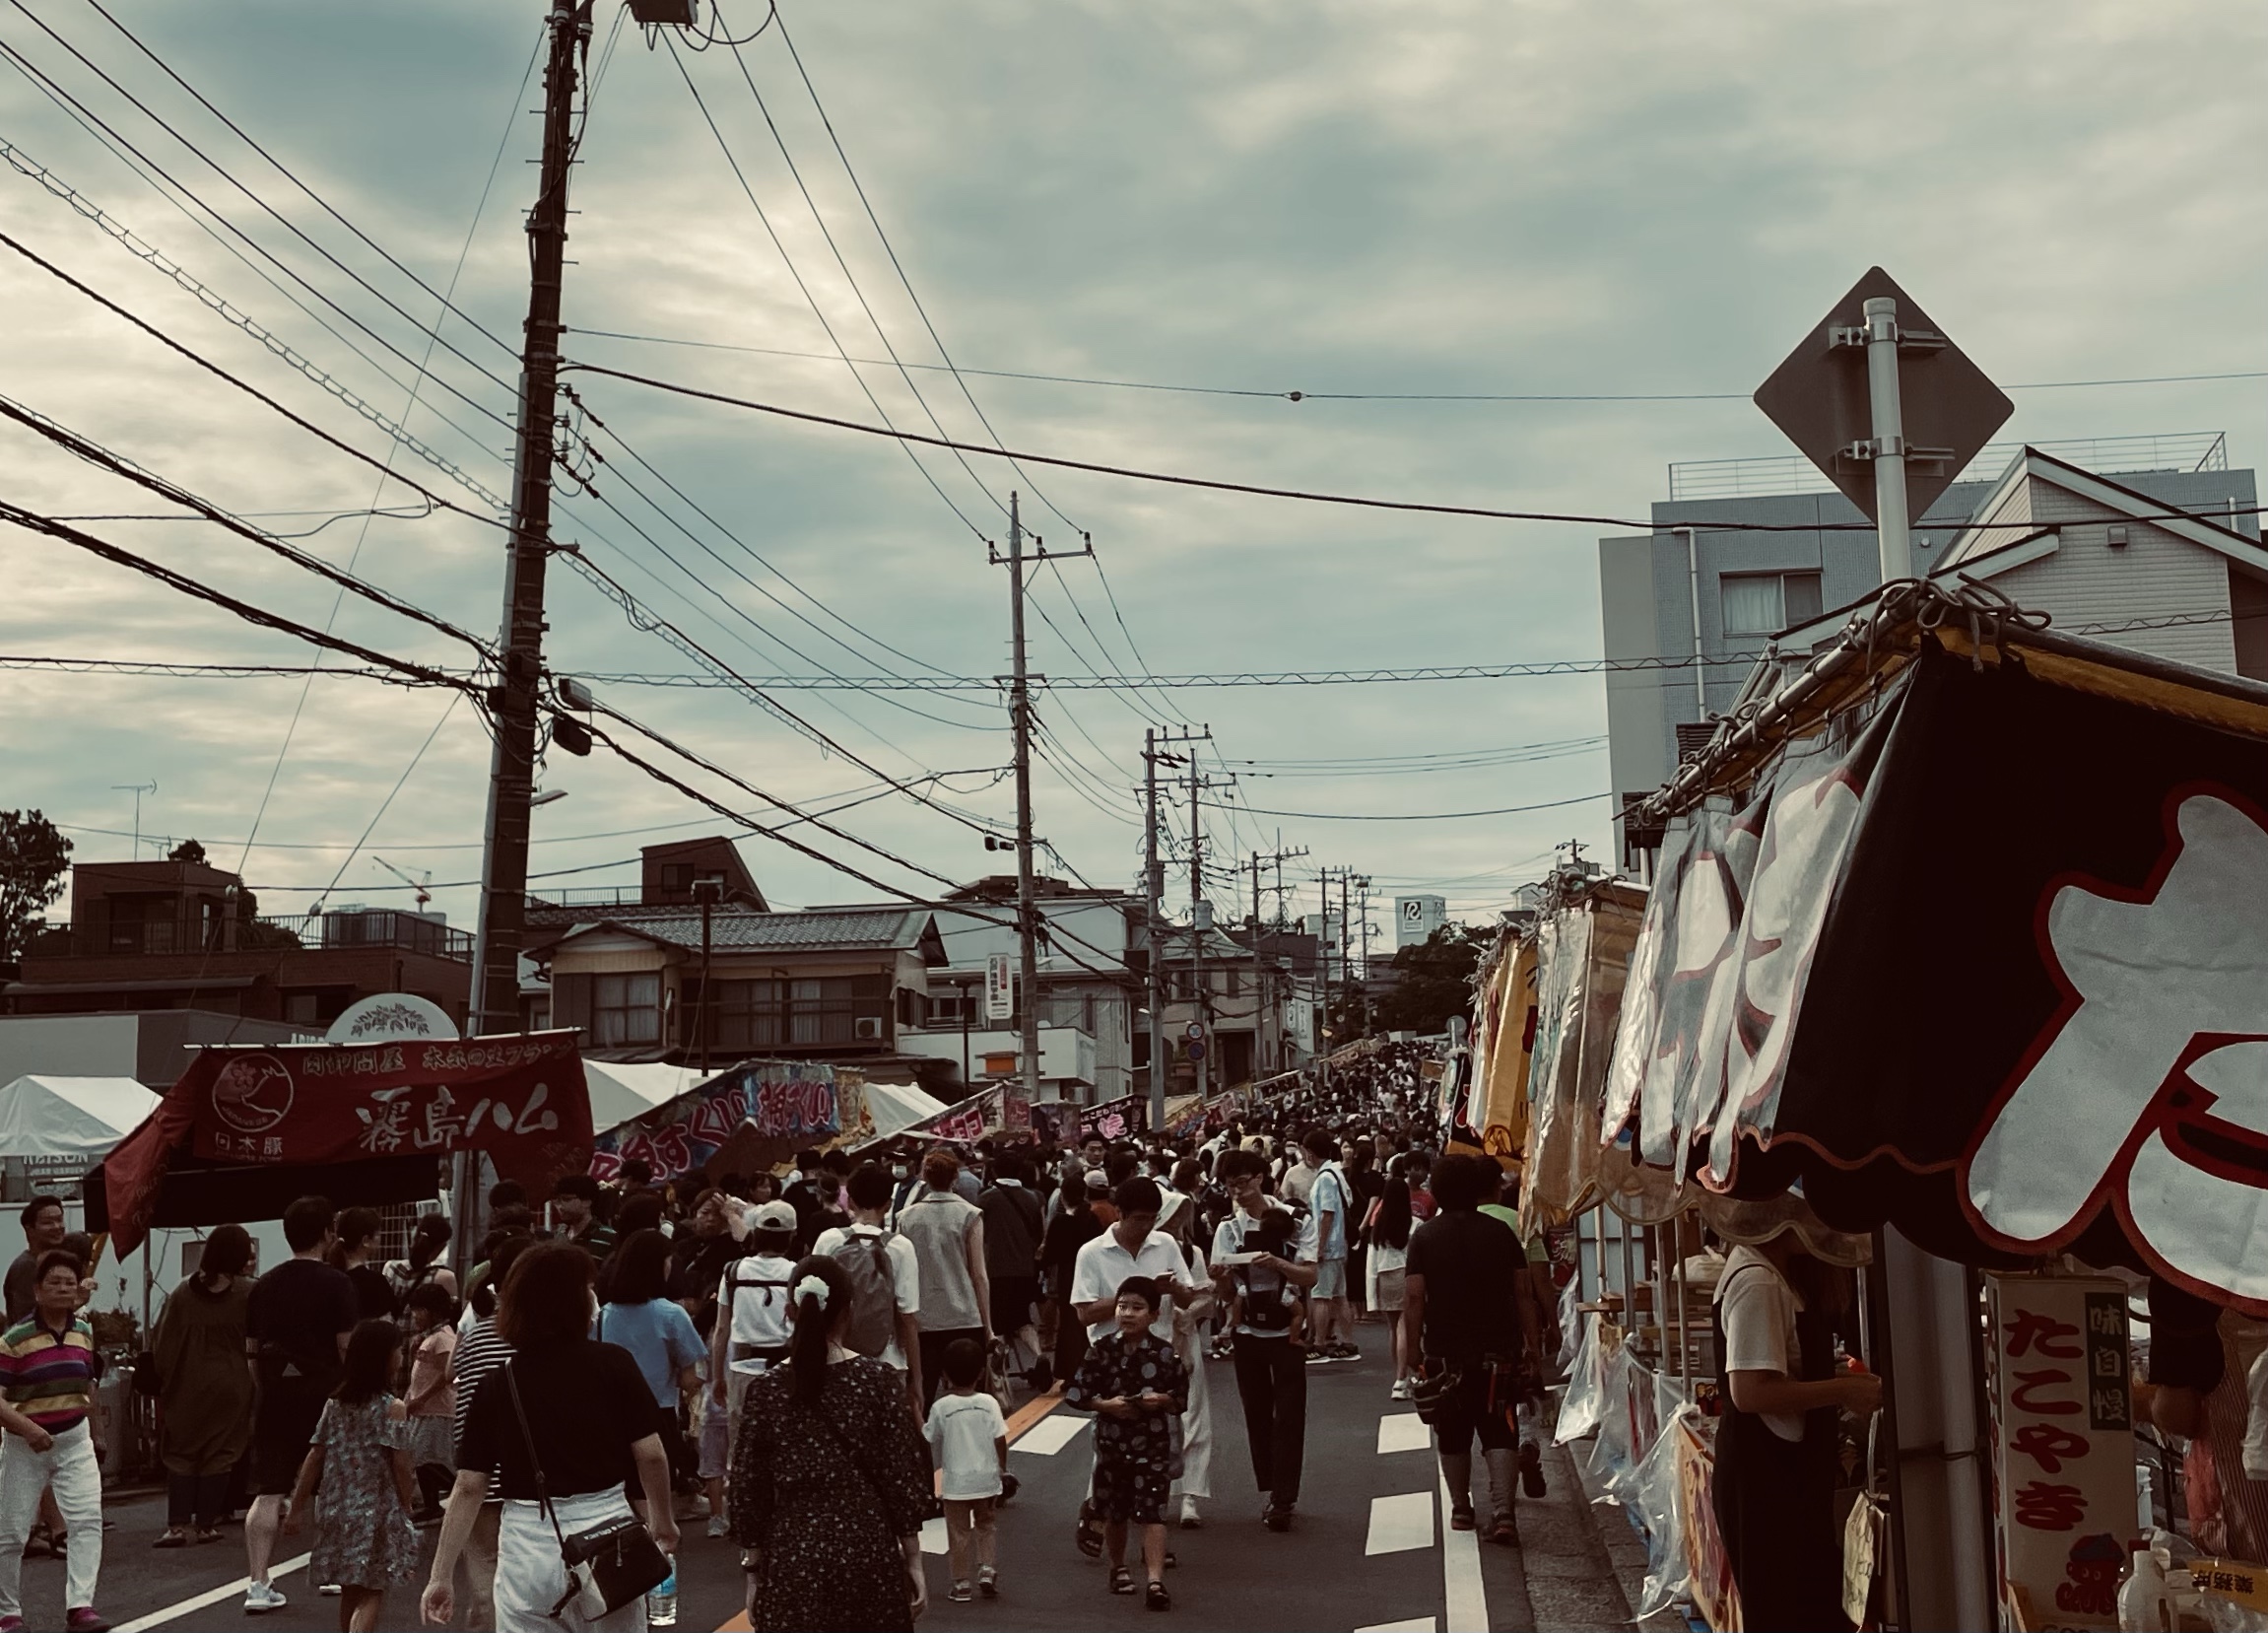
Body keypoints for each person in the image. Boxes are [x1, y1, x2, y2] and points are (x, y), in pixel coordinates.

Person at [422, 1242, 677, 1633]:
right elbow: (651, 1455)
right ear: (575, 1300)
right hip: (609, 1535)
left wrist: (440, 1576)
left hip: (530, 1540)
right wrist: (662, 1522)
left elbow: (470, 1486)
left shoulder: (497, 1383)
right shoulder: (613, 1363)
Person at [728, 1257, 936, 1633]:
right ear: (848, 1311)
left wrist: (754, 1571)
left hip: (793, 1550)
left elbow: (748, 1488)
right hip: (867, 1546)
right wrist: (913, 1558)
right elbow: (902, 1476)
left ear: (790, 1310)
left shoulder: (768, 1390)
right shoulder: (877, 1381)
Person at [1711, 1224, 1878, 1632]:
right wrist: (1843, 1390)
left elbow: (1780, 1365)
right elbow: (1750, 1392)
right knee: (1786, 1614)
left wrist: (1838, 1376)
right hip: (1767, 1480)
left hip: (1785, 1476)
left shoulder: (1776, 1274)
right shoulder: (1758, 1280)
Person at [1070, 1179, 1203, 1554]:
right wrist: (1134, 1295)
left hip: (1157, 1359)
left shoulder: (1166, 1245)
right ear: (1121, 1214)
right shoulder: (1093, 1253)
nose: (1146, 1226)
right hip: (1109, 1362)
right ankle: (1097, 1515)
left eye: (1152, 1219)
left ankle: (1153, 1534)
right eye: (1139, 1219)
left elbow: (1189, 1294)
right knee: (1110, 1453)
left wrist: (1171, 1289)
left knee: (1157, 1455)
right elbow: (1083, 1313)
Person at [1403, 1154, 1529, 1545]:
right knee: (1501, 1427)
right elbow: (1522, 1292)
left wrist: (1412, 1352)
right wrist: (1533, 1344)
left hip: (1444, 1349)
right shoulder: (1500, 1232)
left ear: (1436, 1191)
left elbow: (1413, 1298)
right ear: (1479, 1190)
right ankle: (1504, 1512)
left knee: (1452, 1430)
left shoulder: (1424, 1237)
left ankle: (1461, 1508)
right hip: (1499, 1346)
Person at [243, 1195, 357, 1615]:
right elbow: (346, 1345)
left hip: (275, 1394)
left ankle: (258, 1583)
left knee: (270, 1490)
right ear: (328, 1234)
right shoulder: (338, 1283)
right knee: (332, 1487)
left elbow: (251, 1350)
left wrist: (266, 1388)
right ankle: (331, 1573)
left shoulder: (264, 1285)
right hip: (327, 1394)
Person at [283, 1319, 419, 1633]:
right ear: (384, 1357)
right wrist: (407, 1502)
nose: (400, 1357)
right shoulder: (391, 1407)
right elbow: (401, 1463)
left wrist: (296, 1507)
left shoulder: (336, 1403)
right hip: (376, 1510)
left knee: (349, 1590)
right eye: (397, 1351)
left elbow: (315, 1455)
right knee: (373, 1588)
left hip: (334, 1507)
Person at [1064, 1277, 1188, 1611]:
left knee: (1154, 1513)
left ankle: (1155, 1580)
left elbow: (1181, 1398)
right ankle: (1117, 1567)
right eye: (1123, 1306)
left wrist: (1161, 1400)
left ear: (1153, 1314)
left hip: (1152, 1444)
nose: (1128, 1314)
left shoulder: (1165, 1353)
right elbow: (1076, 1393)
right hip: (1112, 1444)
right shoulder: (1101, 1350)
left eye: (1136, 1308)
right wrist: (1106, 1406)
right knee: (1115, 1512)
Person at [1209, 1148, 1318, 1531]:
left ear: (1259, 1177)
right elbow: (1224, 1294)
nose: (1236, 1192)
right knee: (1257, 1412)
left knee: (1289, 1414)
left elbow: (1309, 1276)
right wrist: (1221, 1275)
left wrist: (1277, 1263)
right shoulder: (1227, 1228)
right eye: (1228, 1185)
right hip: (1247, 1331)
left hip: (1287, 1331)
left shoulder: (1296, 1219)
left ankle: (1283, 1498)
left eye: (1241, 1182)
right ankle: (1272, 1486)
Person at [0, 1250, 107, 1633]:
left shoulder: (85, 1330)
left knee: (86, 1521)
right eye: (54, 1283)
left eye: (70, 1282)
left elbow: (88, 1385)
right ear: (37, 1291)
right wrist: (28, 1429)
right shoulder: (15, 1339)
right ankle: (7, 1614)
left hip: (74, 1439)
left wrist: (96, 1434)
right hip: (25, 1443)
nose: (63, 1289)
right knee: (11, 1532)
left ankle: (81, 1607)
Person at [445, 1234, 532, 1633]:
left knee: (484, 1577)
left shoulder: (477, 1332)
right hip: (524, 1475)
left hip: (474, 1469)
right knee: (524, 1578)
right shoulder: (532, 1339)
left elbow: (451, 1374)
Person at [151, 1223, 255, 1546]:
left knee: (181, 1452)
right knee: (221, 1452)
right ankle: (206, 1526)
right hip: (232, 1384)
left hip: (186, 1384)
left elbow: (162, 1342)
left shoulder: (182, 1292)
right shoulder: (249, 1291)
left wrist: (164, 1381)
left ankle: (177, 1526)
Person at [595, 1231, 705, 1521]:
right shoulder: (671, 1314)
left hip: (609, 1415)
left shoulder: (602, 1315)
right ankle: (658, 1543)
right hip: (659, 1413)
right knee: (655, 1492)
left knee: (620, 1491)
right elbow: (689, 1377)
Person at [811, 1165, 924, 1414]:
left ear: (849, 1201)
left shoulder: (829, 1240)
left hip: (835, 1362)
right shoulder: (900, 1247)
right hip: (888, 1362)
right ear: (888, 1203)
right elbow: (908, 1319)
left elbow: (813, 1305)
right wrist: (917, 1379)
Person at [896, 1149, 990, 1407]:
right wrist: (989, 1327)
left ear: (924, 1177)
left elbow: (902, 1272)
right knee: (970, 1396)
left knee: (922, 1391)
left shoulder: (905, 1218)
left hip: (923, 1318)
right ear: (955, 1178)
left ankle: (924, 1445)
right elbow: (979, 1274)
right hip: (965, 1315)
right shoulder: (970, 1214)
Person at [923, 1338, 1005, 1604]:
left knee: (958, 1531)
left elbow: (929, 1436)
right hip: (986, 1478)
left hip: (956, 1483)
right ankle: (987, 1569)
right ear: (981, 1372)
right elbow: (999, 1438)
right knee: (986, 1524)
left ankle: (961, 1584)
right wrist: (1001, 1468)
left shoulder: (941, 1407)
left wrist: (914, 1410)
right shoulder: (989, 1403)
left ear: (944, 1374)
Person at [1041, 1172, 1107, 1390]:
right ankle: (1093, 1369)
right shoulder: (1091, 1218)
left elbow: (1049, 1255)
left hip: (1067, 1277)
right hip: (1090, 1275)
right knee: (1086, 1325)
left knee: (1069, 1325)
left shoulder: (1060, 1222)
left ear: (1063, 1196)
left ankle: (1070, 1374)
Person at [399, 1285, 459, 1522]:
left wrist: (421, 1399)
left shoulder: (444, 1338)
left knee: (426, 1457)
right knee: (422, 1457)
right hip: (424, 1409)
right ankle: (432, 1504)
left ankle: (459, 1489)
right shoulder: (430, 1337)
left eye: (420, 1311)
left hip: (437, 1409)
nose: (415, 1316)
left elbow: (448, 1375)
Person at [976, 1153, 1043, 1359]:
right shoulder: (1032, 1197)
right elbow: (1039, 1233)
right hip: (1025, 1269)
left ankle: (1000, 1370)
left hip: (996, 1269)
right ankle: (1039, 1355)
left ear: (994, 1171)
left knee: (997, 1325)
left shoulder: (986, 1198)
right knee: (1023, 1319)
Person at [1301, 1130, 1358, 1361]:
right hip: (1339, 1243)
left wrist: (1319, 1246)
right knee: (1338, 1295)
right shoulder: (1335, 1173)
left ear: (1310, 1153)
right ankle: (1346, 1341)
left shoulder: (1325, 1177)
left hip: (1329, 1244)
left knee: (1321, 1296)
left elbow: (1327, 1214)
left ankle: (1320, 1343)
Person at [1367, 1163, 1415, 1399]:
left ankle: (1399, 1375)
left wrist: (1371, 1296)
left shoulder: (1379, 1226)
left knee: (1393, 1327)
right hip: (1406, 1274)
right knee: (1405, 1326)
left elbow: (1371, 1260)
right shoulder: (1414, 1224)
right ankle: (1402, 1377)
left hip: (1384, 1276)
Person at [2, 1199, 66, 1327]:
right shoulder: (26, 1267)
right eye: (48, 1222)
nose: (57, 1226)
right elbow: (25, 1319)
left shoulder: (53, 1263)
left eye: (59, 1220)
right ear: (30, 1229)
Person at [332, 1208, 398, 1322]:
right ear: (365, 1240)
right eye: (378, 1234)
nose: (380, 1239)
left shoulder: (330, 1277)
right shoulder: (376, 1283)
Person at [384, 1215, 458, 1305]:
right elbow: (455, 1312)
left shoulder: (391, 1267)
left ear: (415, 1236)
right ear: (439, 1248)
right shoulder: (445, 1278)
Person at [550, 1175, 616, 1259]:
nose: (560, 1206)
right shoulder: (560, 1234)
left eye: (567, 1199)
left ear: (587, 1202)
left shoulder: (608, 1236)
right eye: (557, 1201)